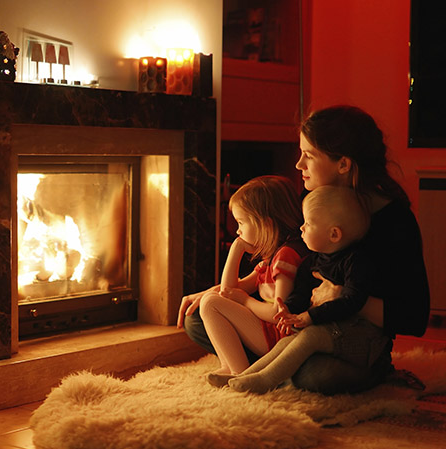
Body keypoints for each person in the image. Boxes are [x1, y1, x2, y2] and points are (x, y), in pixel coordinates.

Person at [180, 105, 430, 395]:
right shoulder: (311, 199)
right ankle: (276, 365)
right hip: (297, 321)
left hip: (351, 338)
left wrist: (341, 296)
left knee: (315, 376)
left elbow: (414, 317)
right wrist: (220, 291)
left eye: (308, 156)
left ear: (343, 164)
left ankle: (284, 367)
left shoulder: (394, 222)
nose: (299, 165)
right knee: (197, 318)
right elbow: (282, 267)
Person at [227, 186, 377, 393]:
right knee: (289, 340)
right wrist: (287, 310)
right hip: (322, 326)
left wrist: (310, 316)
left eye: (307, 224)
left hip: (351, 332)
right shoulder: (312, 262)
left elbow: (352, 301)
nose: (301, 229)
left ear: (334, 234)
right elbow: (300, 293)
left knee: (310, 338)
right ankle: (244, 376)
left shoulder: (356, 261)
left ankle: (265, 381)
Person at [194, 175, 307, 386]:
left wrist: (246, 301)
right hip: (267, 331)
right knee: (210, 298)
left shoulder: (286, 257)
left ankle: (240, 372)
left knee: (210, 303)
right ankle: (229, 366)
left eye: (241, 223)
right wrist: (236, 249)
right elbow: (228, 290)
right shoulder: (271, 257)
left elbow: (279, 313)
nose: (237, 230)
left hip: (280, 337)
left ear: (265, 223)